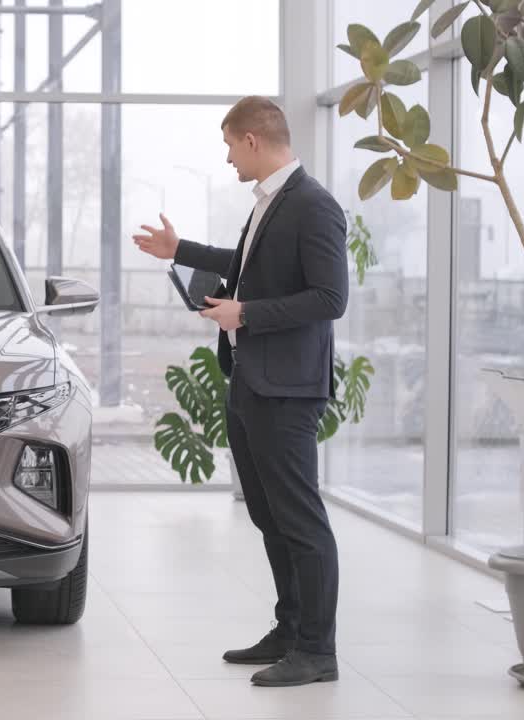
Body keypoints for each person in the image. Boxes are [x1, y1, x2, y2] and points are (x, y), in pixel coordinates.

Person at [133, 95, 349, 687]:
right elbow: (248, 264)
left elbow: (331, 298)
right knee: (268, 514)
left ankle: (318, 651)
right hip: (251, 380)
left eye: (230, 145)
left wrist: (245, 313)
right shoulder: (270, 202)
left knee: (300, 519)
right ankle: (291, 629)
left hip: (288, 390)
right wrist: (180, 251)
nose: (228, 157)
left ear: (253, 140)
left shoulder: (313, 205)